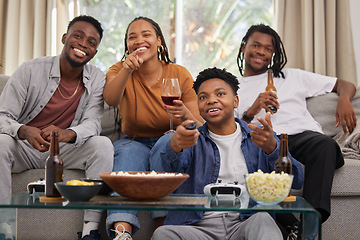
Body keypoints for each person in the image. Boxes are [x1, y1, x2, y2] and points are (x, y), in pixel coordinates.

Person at [151, 67, 304, 240]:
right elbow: (166, 173)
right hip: (199, 228)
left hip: (244, 223)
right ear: (198, 106)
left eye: (220, 94)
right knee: (163, 234)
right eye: (203, 97)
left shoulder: (260, 136)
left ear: (236, 101)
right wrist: (175, 145)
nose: (211, 100)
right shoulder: (193, 139)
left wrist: (273, 149)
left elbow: (297, 181)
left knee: (263, 219)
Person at [235, 24, 357, 238]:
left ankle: (309, 228)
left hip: (303, 137)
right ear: (244, 47)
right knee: (252, 163)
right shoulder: (233, 86)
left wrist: (344, 99)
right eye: (256, 45)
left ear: (273, 53)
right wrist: (253, 109)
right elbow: (233, 130)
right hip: (264, 140)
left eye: (268, 49)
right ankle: (291, 226)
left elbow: (343, 84)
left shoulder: (291, 76)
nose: (262, 52)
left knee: (326, 145)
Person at [0, 15, 114, 240]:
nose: (83, 44)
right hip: (24, 148)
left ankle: (90, 231)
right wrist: (24, 130)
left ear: (95, 52)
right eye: (78, 36)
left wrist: (69, 133)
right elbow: (3, 116)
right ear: (65, 38)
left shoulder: (97, 79)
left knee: (102, 144)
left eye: (92, 42)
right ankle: (4, 230)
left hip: (64, 151)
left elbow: (92, 123)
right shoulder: (30, 70)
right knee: (1, 142)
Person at [103, 17, 203, 240]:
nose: (139, 40)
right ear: (127, 45)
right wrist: (127, 71)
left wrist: (183, 114)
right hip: (134, 140)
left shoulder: (179, 73)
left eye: (146, 35)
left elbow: (198, 123)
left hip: (169, 139)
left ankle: (163, 230)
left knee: (165, 145)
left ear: (159, 41)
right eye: (132, 36)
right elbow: (110, 99)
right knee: (126, 153)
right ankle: (122, 233)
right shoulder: (119, 69)